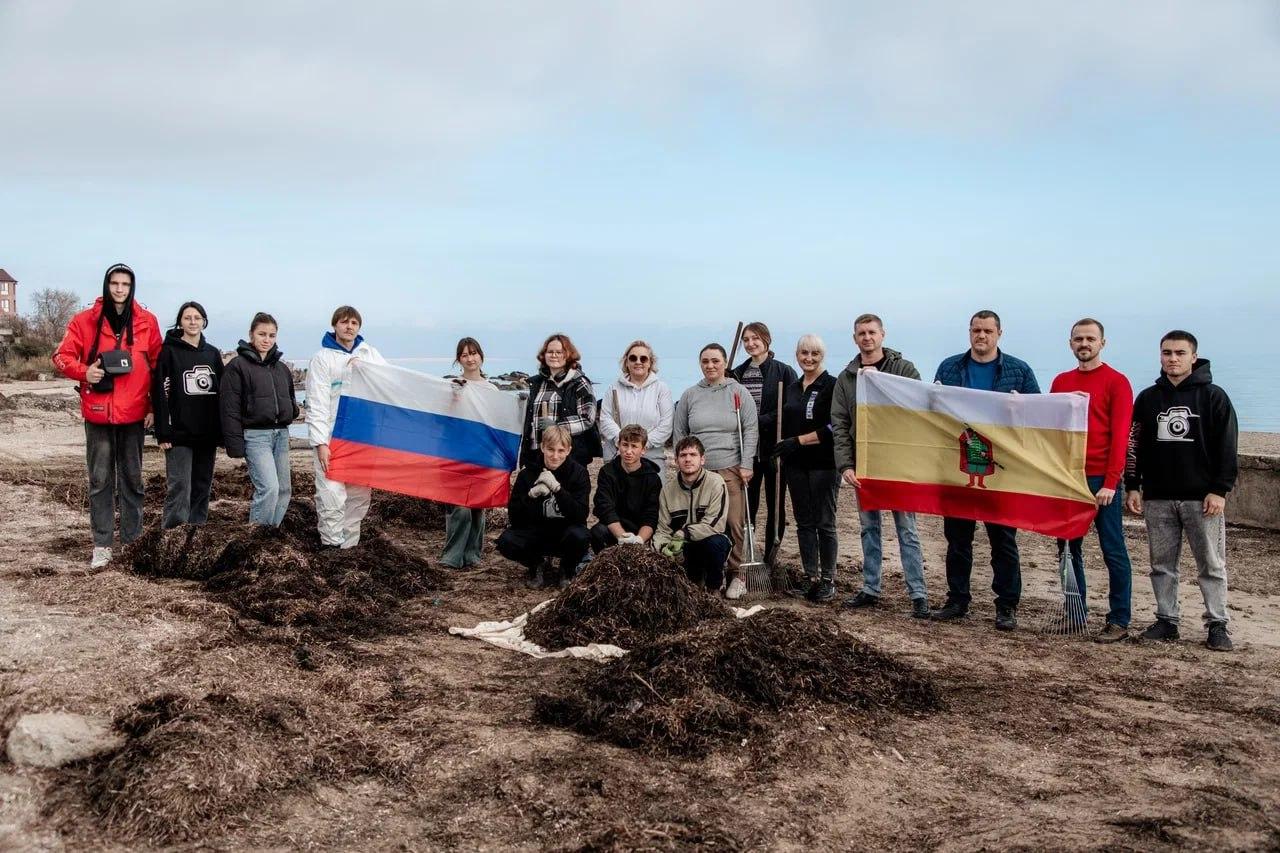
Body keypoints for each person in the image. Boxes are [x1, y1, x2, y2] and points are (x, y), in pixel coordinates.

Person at [1126, 330, 1238, 652]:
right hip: (1158, 496)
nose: (1172, 359)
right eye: (1166, 353)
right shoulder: (1148, 398)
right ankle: (1166, 620)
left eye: (1179, 353)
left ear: (1193, 356)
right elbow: (1134, 446)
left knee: (1212, 565)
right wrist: (1133, 485)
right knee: (1161, 565)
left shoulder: (1214, 396)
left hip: (1201, 498)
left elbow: (1228, 447)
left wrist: (1219, 490)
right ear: (1160, 356)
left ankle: (1217, 624)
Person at [931, 310, 1040, 630]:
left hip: (1002, 469)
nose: (981, 336)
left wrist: (1022, 407)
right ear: (969, 332)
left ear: (999, 333)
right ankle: (957, 599)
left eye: (987, 331)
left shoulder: (1019, 371)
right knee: (957, 539)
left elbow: (1037, 416)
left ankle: (1007, 605)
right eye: (976, 330)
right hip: (958, 465)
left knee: (1003, 540)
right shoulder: (950, 367)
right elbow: (932, 413)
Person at [52, 263, 162, 568]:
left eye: (125, 284)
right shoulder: (85, 321)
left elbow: (157, 367)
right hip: (98, 414)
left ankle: (131, 542)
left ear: (132, 287)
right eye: (115, 283)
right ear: (106, 285)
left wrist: (153, 407)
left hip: (135, 414)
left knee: (133, 480)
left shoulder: (146, 322)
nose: (119, 289)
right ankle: (102, 545)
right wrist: (84, 372)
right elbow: (61, 357)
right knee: (100, 480)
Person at [831, 314, 929, 618]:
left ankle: (918, 593)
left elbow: (920, 408)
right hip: (865, 464)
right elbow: (840, 422)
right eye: (861, 333)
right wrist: (846, 465)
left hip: (898, 463)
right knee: (869, 529)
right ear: (854, 338)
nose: (867, 337)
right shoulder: (847, 377)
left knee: (907, 530)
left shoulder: (904, 369)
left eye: (872, 332)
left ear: (882, 335)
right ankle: (871, 587)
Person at [1050, 318, 1135, 642]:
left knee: (1113, 549)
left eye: (1090, 339)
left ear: (1102, 343)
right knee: (1068, 548)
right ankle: (1075, 614)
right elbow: (1053, 431)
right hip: (1069, 477)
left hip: (1102, 479)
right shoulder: (1061, 381)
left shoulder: (1117, 382)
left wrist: (1112, 482)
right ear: (1070, 343)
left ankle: (1119, 619)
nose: (1084, 344)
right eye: (1078, 339)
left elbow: (1120, 436)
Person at [673, 343, 758, 599]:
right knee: (701, 523)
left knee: (733, 522)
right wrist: (684, 462)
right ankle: (702, 573)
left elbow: (750, 429)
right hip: (699, 473)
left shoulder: (738, 392)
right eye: (705, 361)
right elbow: (680, 432)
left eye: (715, 361)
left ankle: (735, 574)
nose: (710, 365)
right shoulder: (690, 395)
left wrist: (747, 464)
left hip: (730, 466)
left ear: (724, 363)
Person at [306, 306, 387, 548]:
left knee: (359, 495)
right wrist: (320, 442)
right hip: (332, 437)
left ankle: (349, 544)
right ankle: (331, 544)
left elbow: (393, 382)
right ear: (335, 325)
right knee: (331, 494)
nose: (349, 326)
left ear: (359, 327)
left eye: (354, 322)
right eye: (344, 322)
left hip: (362, 437)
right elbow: (317, 402)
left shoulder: (370, 354)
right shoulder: (322, 358)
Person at [772, 334, 839, 602]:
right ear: (797, 355)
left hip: (824, 464)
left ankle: (828, 579)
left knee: (825, 521)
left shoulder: (832, 385)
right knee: (804, 522)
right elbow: (783, 422)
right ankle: (809, 576)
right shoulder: (791, 387)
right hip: (795, 465)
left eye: (814, 354)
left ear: (822, 356)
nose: (808, 358)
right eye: (803, 353)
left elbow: (836, 426)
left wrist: (799, 441)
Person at [219, 313, 299, 527]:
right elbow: (229, 408)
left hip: (281, 435)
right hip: (256, 437)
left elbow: (290, 398)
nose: (267, 339)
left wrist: (292, 411)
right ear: (251, 335)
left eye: (272, 335)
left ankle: (270, 534)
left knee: (284, 490)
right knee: (269, 489)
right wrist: (234, 445)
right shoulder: (237, 366)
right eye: (262, 334)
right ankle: (255, 538)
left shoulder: (281, 368)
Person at [152, 301, 223, 529]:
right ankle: (172, 534)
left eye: (197, 318)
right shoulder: (169, 352)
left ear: (204, 321)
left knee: (202, 486)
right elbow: (159, 393)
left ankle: (196, 531)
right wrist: (163, 431)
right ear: (180, 322)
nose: (193, 322)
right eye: (187, 318)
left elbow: (222, 394)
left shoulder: (212, 354)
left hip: (207, 432)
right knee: (180, 486)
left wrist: (222, 431)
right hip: (179, 433)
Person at [731, 322, 797, 564]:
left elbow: (791, 408)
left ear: (767, 340)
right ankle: (747, 554)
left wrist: (759, 420)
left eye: (755, 338)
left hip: (774, 448)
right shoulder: (737, 373)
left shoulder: (784, 371)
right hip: (747, 450)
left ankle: (771, 556)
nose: (750, 343)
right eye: (746, 340)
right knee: (749, 505)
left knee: (776, 505)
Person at [499, 425, 591, 589]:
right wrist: (531, 495)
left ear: (569, 450)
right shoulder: (527, 474)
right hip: (537, 533)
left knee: (581, 536)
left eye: (561, 450)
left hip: (565, 533)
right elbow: (514, 518)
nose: (555, 456)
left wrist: (558, 489)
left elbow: (580, 515)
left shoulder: (579, 474)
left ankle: (567, 569)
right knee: (507, 541)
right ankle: (536, 565)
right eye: (550, 449)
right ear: (542, 447)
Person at [440, 337, 498, 569]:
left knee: (477, 506)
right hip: (457, 454)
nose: (470, 358)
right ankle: (452, 554)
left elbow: (498, 423)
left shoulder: (492, 389)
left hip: (483, 454)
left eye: (473, 353)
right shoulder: (454, 386)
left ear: (481, 356)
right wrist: (453, 396)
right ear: (459, 360)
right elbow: (444, 421)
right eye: (464, 355)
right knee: (459, 507)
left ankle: (473, 553)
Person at [652, 436, 732, 593]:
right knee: (688, 587)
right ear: (676, 461)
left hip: (710, 542)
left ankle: (714, 589)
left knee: (715, 543)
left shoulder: (716, 483)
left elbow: (715, 524)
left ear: (702, 459)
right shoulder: (668, 490)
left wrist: (685, 532)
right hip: (684, 550)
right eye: (683, 455)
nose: (688, 459)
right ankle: (695, 583)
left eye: (693, 455)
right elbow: (662, 528)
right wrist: (663, 548)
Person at [518, 333, 599, 468]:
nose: (554, 355)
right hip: (537, 453)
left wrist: (556, 426)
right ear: (544, 355)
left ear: (568, 355)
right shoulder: (537, 383)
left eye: (559, 352)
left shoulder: (579, 382)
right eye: (550, 352)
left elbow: (587, 418)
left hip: (567, 455)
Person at [599, 340, 674, 473]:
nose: (638, 362)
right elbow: (605, 419)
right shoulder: (613, 388)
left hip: (651, 456)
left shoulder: (661, 389)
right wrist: (624, 444)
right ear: (626, 362)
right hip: (617, 455)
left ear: (650, 363)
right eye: (633, 358)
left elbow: (666, 425)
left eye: (643, 359)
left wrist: (641, 446)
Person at [590, 424, 663, 552]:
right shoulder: (607, 472)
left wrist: (639, 540)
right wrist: (622, 537)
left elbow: (651, 515)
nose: (628, 451)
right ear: (618, 444)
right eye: (625, 444)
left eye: (634, 446)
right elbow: (605, 507)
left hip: (639, 532)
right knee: (597, 532)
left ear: (643, 449)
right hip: (614, 528)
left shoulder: (652, 478)